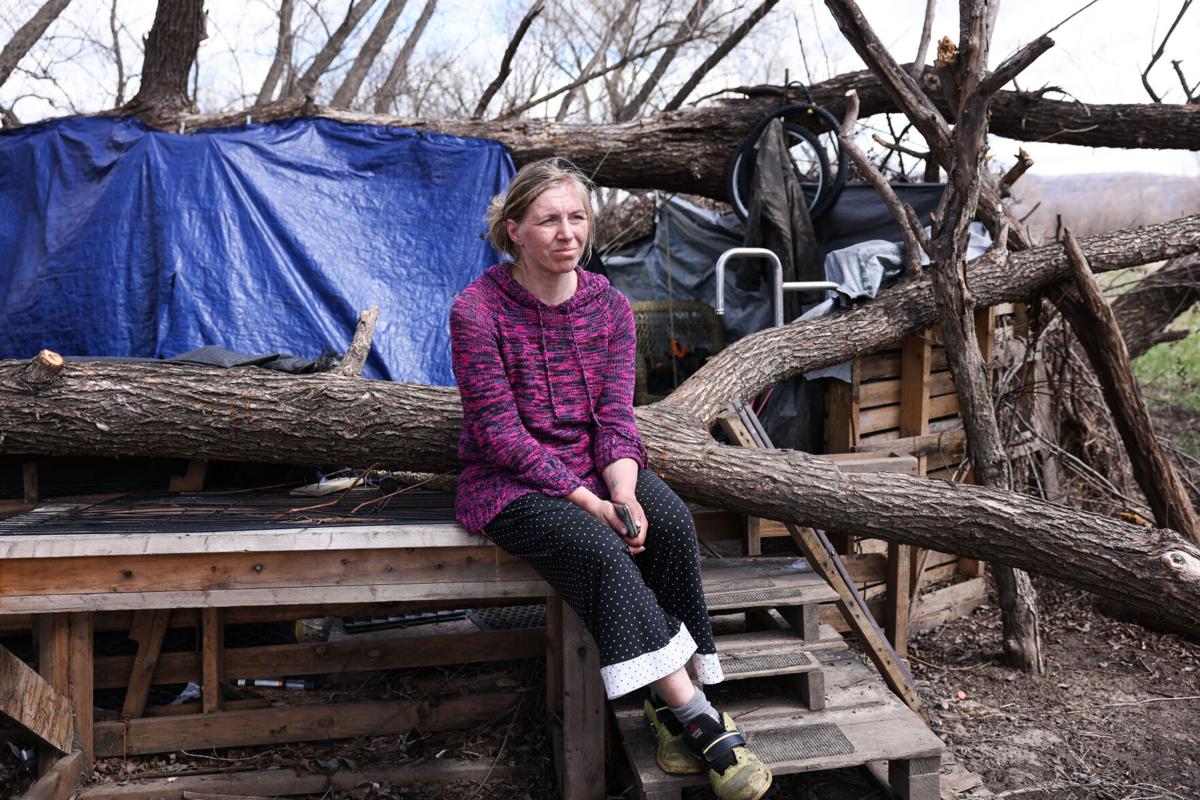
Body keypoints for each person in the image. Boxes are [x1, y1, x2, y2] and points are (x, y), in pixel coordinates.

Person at [449, 157, 772, 800]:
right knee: (601, 547)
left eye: (577, 217)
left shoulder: (610, 307)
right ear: (514, 230)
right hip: (510, 481)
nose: (567, 233)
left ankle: (664, 709)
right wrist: (587, 501)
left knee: (670, 521)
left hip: (596, 465)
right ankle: (697, 714)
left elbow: (615, 419)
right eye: (548, 220)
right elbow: (498, 432)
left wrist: (621, 489)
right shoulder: (477, 311)